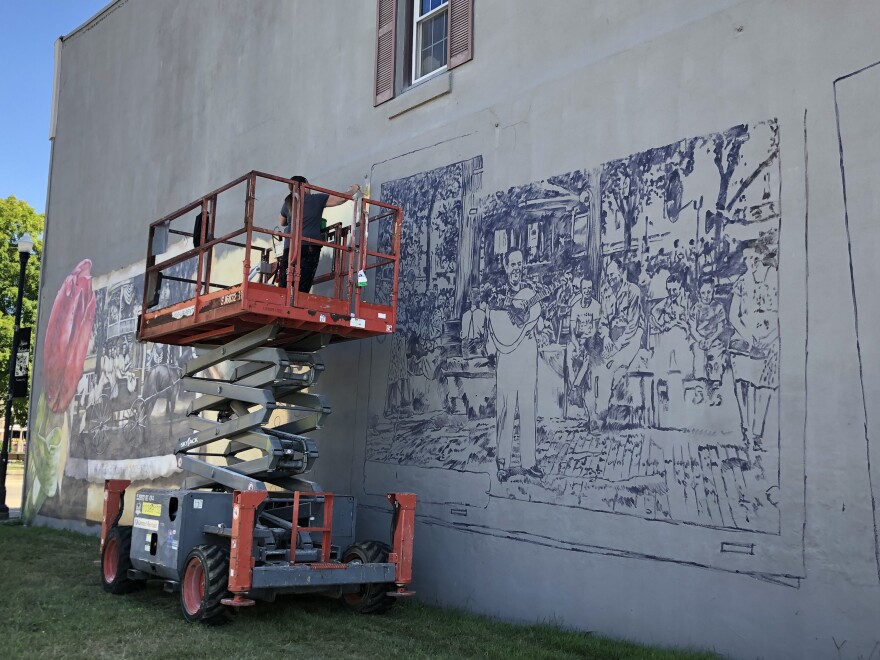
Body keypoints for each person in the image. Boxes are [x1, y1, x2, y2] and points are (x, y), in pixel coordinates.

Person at [487, 249, 545, 483]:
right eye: (512, 264)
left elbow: (536, 323)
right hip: (507, 357)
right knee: (505, 409)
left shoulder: (531, 292)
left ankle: (529, 462)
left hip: (527, 354)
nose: (516, 269)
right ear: (506, 266)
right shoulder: (498, 295)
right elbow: (493, 324)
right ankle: (503, 463)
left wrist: (535, 323)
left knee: (528, 407)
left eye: (519, 264)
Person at [728, 246, 779, 452]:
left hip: (770, 339)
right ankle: (746, 430)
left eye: (754, 257)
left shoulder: (776, 279)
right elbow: (733, 315)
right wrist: (747, 335)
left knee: (765, 387)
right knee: (743, 383)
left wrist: (772, 335)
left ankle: (757, 433)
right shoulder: (742, 282)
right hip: (745, 339)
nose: (751, 262)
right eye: (746, 258)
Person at [278, 175, 360, 292]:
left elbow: (281, 222)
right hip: (309, 246)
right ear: (305, 185)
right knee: (302, 286)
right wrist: (354, 189)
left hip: (290, 247)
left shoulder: (288, 202)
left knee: (284, 285)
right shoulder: (316, 199)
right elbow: (340, 199)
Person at [594, 258, 643, 420]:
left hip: (632, 337)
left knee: (616, 367)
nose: (610, 279)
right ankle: (601, 412)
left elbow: (633, 326)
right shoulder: (606, 292)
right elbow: (603, 321)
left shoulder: (633, 291)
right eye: (608, 276)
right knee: (601, 367)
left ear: (622, 273)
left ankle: (612, 412)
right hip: (613, 338)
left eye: (613, 275)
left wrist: (617, 345)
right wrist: (606, 338)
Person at [566, 277, 601, 417]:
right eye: (584, 288)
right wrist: (575, 343)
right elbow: (572, 330)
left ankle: (575, 387)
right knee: (569, 354)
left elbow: (595, 329)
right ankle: (574, 383)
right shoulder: (575, 307)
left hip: (591, 341)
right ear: (580, 290)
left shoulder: (596, 306)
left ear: (592, 290)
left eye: (589, 288)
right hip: (578, 340)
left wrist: (585, 341)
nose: (587, 291)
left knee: (588, 357)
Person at [689, 276, 726, 405]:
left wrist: (710, 340)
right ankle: (699, 389)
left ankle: (715, 389)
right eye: (703, 293)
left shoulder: (718, 307)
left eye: (709, 292)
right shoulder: (696, 308)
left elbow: (720, 328)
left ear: (713, 291)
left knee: (716, 355)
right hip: (699, 339)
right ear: (699, 293)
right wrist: (700, 340)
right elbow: (692, 329)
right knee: (699, 355)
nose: (706, 296)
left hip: (713, 339)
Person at [649, 272, 690, 374]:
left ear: (680, 287)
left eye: (674, 290)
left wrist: (675, 323)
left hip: (683, 336)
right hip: (667, 337)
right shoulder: (667, 302)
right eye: (669, 290)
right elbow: (651, 316)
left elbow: (689, 322)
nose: (671, 293)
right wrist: (660, 327)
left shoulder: (687, 301)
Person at [460, 286, 487, 357]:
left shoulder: (482, 314)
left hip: (476, 344)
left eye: (477, 294)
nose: (476, 297)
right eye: (474, 294)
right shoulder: (466, 315)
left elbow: (484, 333)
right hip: (467, 344)